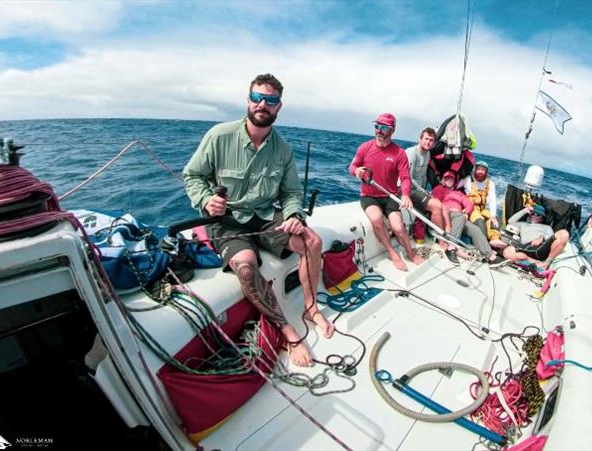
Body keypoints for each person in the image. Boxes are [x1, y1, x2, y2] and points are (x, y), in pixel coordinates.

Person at [182, 73, 332, 367]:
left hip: (263, 216)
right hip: (225, 220)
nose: (262, 104)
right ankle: (287, 332)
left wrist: (293, 214)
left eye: (271, 100)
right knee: (247, 267)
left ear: (279, 106)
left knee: (311, 240)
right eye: (257, 98)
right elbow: (193, 176)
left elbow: (290, 193)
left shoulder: (284, 150)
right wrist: (205, 200)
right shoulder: (219, 136)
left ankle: (311, 308)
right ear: (248, 100)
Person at [349, 113, 425, 272]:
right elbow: (352, 167)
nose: (379, 130)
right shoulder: (365, 147)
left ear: (392, 130)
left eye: (384, 127)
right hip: (369, 196)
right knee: (376, 219)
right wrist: (357, 172)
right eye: (377, 126)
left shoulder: (399, 153)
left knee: (398, 227)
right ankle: (393, 254)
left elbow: (405, 177)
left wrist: (404, 195)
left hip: (390, 196)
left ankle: (410, 253)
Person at [431, 171, 498, 265]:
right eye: (446, 178)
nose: (449, 180)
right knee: (460, 217)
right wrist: (449, 210)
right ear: (442, 180)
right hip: (446, 215)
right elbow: (436, 204)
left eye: (451, 178)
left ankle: (490, 257)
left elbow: (469, 204)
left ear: (455, 181)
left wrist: (467, 212)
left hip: (460, 217)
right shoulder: (439, 189)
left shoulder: (459, 193)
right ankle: (451, 248)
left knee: (475, 229)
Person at [405, 127, 447, 246]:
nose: (428, 142)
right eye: (426, 139)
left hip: (417, 190)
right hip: (406, 189)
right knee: (436, 205)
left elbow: (423, 177)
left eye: (431, 140)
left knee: (441, 205)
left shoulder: (427, 154)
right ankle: (442, 241)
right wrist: (424, 192)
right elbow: (408, 178)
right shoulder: (412, 153)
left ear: (434, 143)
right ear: (420, 139)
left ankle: (438, 234)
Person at [497, 204, 569, 269]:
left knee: (564, 233)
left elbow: (551, 236)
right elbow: (510, 221)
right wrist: (525, 210)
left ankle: (546, 263)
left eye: (538, 215)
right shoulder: (523, 225)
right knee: (508, 252)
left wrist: (542, 237)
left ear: (542, 217)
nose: (534, 216)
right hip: (526, 248)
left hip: (541, 247)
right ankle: (533, 261)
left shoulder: (546, 227)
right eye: (533, 214)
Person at [459, 161, 501, 242]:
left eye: (483, 170)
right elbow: (454, 187)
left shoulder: (490, 183)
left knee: (494, 219)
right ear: (475, 170)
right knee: (480, 221)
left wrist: (493, 216)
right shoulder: (467, 179)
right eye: (478, 169)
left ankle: (495, 239)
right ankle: (484, 244)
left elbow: (492, 200)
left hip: (482, 208)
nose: (480, 171)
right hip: (471, 209)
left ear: (486, 172)